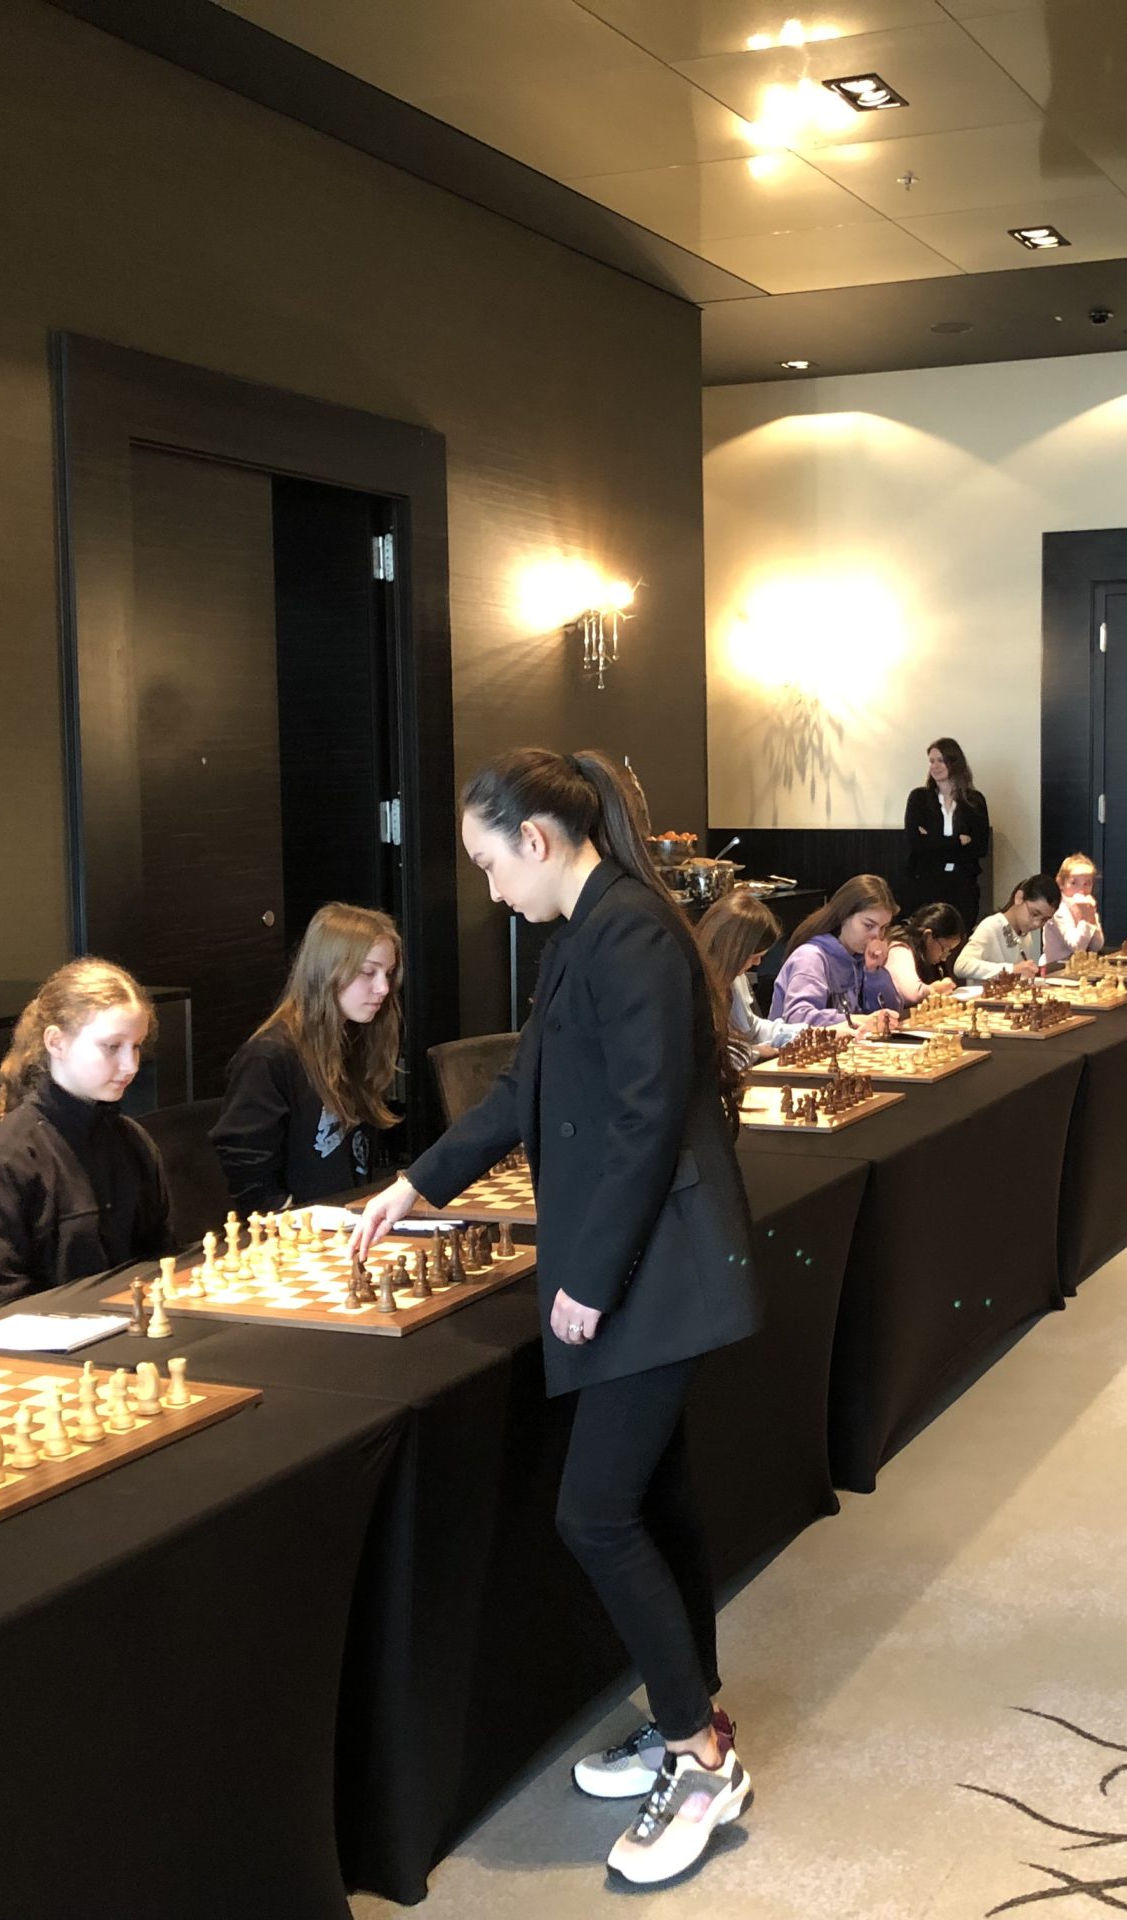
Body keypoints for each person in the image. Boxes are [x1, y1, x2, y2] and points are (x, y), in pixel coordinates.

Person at [351, 747, 758, 1885]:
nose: (490, 890)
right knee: (653, 1503)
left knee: (596, 1515)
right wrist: (415, 1184)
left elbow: (642, 1121)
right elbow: (521, 1092)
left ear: (536, 840)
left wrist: (592, 1279)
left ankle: (701, 1760)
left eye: (490, 864)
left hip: (654, 1275)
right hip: (642, 1269)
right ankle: (688, 1716)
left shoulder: (628, 932)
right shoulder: (587, 931)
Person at [0, 959, 173, 1315]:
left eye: (137, 1046)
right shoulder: (1, 1165)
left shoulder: (132, 1142)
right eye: (112, 1046)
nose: (131, 1065)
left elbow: (160, 1258)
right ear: (56, 1042)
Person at [212, 904, 403, 1212]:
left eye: (389, 973)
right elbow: (248, 1171)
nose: (383, 988)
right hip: (301, 1229)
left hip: (349, 1214)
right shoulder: (268, 1057)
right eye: (368, 972)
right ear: (327, 970)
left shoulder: (354, 1041)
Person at [773, 874, 908, 1032]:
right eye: (868, 925)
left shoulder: (862, 957)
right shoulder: (810, 957)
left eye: (883, 927)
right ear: (844, 916)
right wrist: (856, 1020)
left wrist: (874, 972)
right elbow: (797, 1018)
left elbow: (891, 1017)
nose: (877, 936)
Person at [695, 892, 804, 1059]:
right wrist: (754, 1052)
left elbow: (753, 1029)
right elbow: (705, 1056)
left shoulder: (735, 978)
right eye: (754, 956)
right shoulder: (693, 985)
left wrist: (808, 1032)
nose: (757, 963)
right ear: (734, 952)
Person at [903, 738, 990, 929]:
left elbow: (980, 847)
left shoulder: (974, 801)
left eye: (940, 760)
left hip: (963, 884)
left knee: (959, 936)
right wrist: (958, 842)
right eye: (931, 761)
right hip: (926, 884)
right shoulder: (919, 798)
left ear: (954, 762)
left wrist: (933, 840)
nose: (934, 766)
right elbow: (916, 844)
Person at [956, 874, 1058, 983]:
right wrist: (1011, 969)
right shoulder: (991, 926)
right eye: (1034, 913)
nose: (1037, 923)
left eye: (1044, 920)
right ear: (1019, 898)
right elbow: (961, 965)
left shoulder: (1025, 935)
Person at [882, 902, 967, 1004]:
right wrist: (935, 990)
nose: (944, 958)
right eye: (944, 949)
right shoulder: (900, 950)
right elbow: (912, 994)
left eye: (949, 951)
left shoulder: (929, 959)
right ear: (928, 936)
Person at [1041, 853, 1105, 967]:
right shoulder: (1058, 910)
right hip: (1055, 969)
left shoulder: (1087, 906)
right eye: (1074, 883)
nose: (1081, 889)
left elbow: (1097, 946)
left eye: (1087, 884)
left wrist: (1091, 918)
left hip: (1079, 968)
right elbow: (1077, 947)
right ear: (1061, 883)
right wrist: (1085, 919)